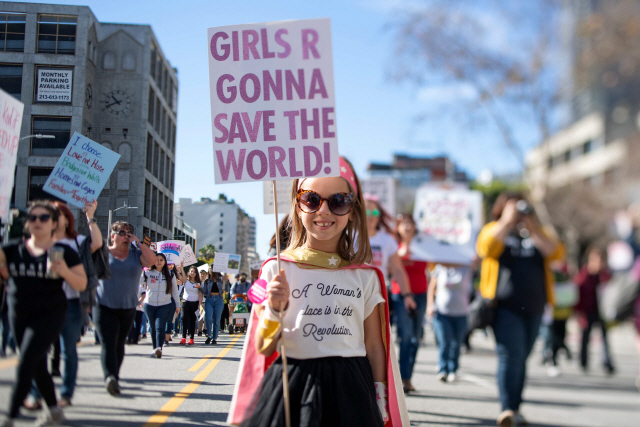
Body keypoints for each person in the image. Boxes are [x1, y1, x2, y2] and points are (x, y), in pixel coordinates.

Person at [228, 157, 409, 427]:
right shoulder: (275, 270)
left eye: (338, 201)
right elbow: (263, 348)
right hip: (293, 387)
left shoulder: (366, 276)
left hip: (352, 392)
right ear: (297, 206)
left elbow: (374, 345)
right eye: (311, 199)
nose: (323, 211)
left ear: (353, 209)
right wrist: (276, 309)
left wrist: (380, 396)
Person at [476, 193, 563, 427]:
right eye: (513, 209)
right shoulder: (493, 229)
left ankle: (515, 407)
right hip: (504, 307)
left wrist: (532, 228)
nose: (518, 213)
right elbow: (485, 249)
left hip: (535, 307)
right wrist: (506, 222)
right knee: (510, 355)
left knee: (522, 358)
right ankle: (507, 408)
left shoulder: (537, 232)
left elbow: (556, 253)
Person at [0, 201, 87, 427]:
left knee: (26, 361)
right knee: (37, 364)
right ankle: (54, 410)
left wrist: (64, 271)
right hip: (18, 314)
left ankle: (9, 417)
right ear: (27, 223)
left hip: (50, 314)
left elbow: (81, 284)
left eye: (44, 218)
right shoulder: (10, 250)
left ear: (54, 223)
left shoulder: (63, 252)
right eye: (33, 218)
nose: (37, 221)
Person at [25, 201, 103, 409]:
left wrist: (90, 216)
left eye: (54, 214)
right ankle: (35, 394)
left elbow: (96, 243)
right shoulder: (38, 242)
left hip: (70, 303)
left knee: (68, 349)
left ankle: (66, 394)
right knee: (37, 351)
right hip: (42, 304)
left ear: (66, 218)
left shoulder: (76, 242)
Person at [95, 221, 155, 395]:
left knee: (119, 343)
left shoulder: (136, 254)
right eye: (122, 232)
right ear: (112, 235)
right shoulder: (104, 253)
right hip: (104, 304)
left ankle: (114, 376)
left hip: (127, 306)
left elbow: (152, 261)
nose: (126, 236)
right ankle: (110, 377)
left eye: (129, 232)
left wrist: (139, 242)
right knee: (108, 342)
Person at [390, 213, 429, 392]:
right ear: (397, 228)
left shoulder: (423, 245)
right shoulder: (393, 246)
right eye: (403, 224)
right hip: (401, 295)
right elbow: (389, 267)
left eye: (410, 224)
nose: (407, 227)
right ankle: (402, 378)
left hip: (421, 294)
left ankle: (407, 377)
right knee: (405, 336)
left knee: (415, 337)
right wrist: (401, 253)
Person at [364, 197, 416, 326]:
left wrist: (407, 296)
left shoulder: (387, 240)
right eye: (366, 212)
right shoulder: (349, 237)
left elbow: (398, 270)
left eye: (375, 213)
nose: (371, 216)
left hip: (378, 296)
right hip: (353, 295)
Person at [427, 262, 472, 383]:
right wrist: (430, 305)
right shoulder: (439, 267)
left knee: (457, 343)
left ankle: (453, 369)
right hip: (442, 313)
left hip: (461, 313)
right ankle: (443, 369)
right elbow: (432, 287)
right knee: (444, 341)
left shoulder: (466, 267)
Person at [574, 247, 614, 374]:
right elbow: (578, 294)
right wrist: (579, 312)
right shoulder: (584, 275)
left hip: (602, 311)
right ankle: (583, 361)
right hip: (587, 311)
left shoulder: (605, 276)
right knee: (586, 337)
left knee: (605, 337)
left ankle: (606, 362)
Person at [143, 254, 181, 356]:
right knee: (152, 327)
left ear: (165, 262)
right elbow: (140, 286)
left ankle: (159, 347)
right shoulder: (147, 273)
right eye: (157, 260)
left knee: (160, 326)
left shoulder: (170, 274)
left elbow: (175, 291)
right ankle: (155, 348)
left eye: (161, 260)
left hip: (165, 304)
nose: (159, 262)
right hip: (149, 304)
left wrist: (178, 305)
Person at [198, 270, 224, 344]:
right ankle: (209, 335)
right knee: (208, 318)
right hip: (209, 299)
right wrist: (200, 288)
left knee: (216, 320)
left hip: (219, 300)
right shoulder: (207, 281)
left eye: (211, 268)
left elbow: (225, 290)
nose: (210, 270)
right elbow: (205, 292)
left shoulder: (221, 280)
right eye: (209, 268)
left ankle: (214, 338)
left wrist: (225, 280)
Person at [179, 266, 201, 345]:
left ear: (196, 274)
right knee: (184, 319)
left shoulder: (198, 283)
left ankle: (191, 338)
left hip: (195, 303)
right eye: (191, 271)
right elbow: (180, 278)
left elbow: (200, 293)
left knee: (192, 320)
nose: (192, 273)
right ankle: (183, 337)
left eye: (194, 272)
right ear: (189, 272)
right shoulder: (186, 281)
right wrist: (181, 268)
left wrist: (199, 304)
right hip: (185, 302)